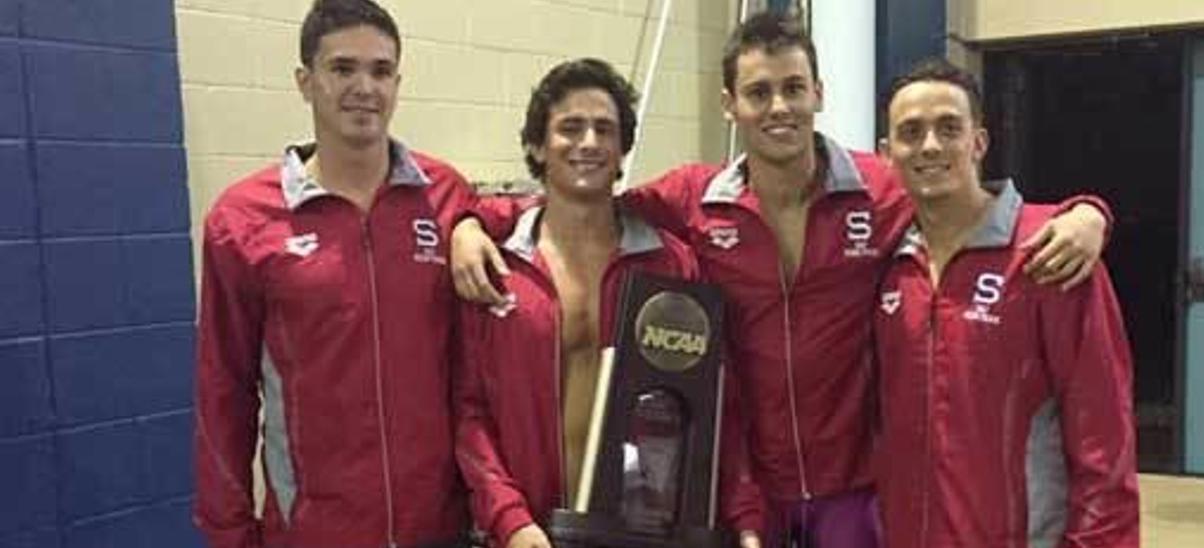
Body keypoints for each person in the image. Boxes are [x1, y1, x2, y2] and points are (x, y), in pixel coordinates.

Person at [450, 13, 1111, 548]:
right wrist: (472, 222)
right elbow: (585, 197)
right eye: (760, 92)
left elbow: (973, 201)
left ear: (818, 94)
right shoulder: (693, 198)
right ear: (730, 104)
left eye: (793, 89)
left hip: (856, 489)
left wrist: (1086, 214)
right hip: (748, 491)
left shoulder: (884, 189)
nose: (779, 108)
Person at [193, 1, 472, 546]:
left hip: (440, 528)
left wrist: (469, 226)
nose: (364, 87)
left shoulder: (446, 198)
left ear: (398, 82)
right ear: (305, 81)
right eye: (343, 69)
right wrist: (229, 533)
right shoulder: (242, 220)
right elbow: (223, 391)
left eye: (380, 70)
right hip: (314, 532)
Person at [873, 58, 1139, 548]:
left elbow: (1105, 436)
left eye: (948, 128)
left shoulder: (1049, 254)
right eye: (911, 132)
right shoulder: (885, 262)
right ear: (887, 155)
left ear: (979, 143)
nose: (930, 145)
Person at [453, 58, 700, 548]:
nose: (589, 142)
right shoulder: (494, 270)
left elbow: (707, 407)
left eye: (604, 129)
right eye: (570, 127)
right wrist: (511, 520)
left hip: (639, 533)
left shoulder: (670, 267)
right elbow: (467, 411)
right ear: (537, 146)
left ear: (622, 147)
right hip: (522, 533)